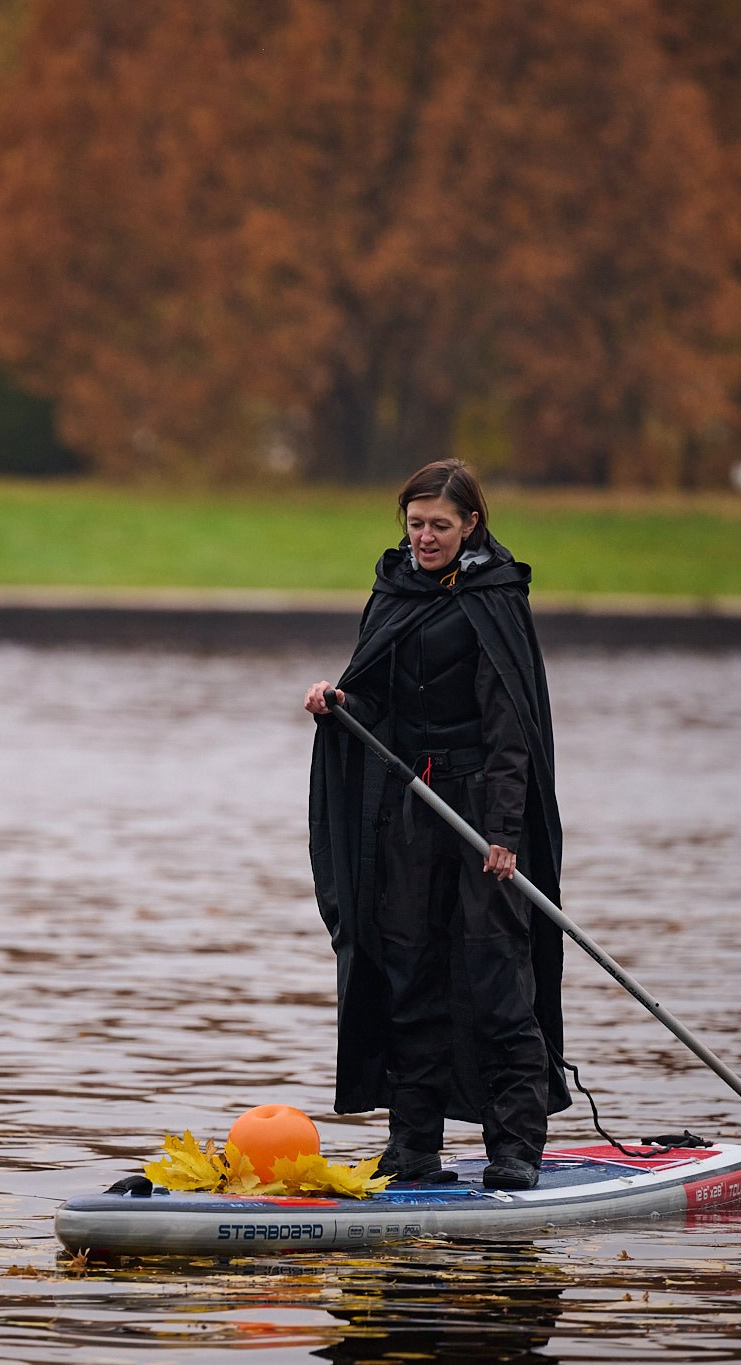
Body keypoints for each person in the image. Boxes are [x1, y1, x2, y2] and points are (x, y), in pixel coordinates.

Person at [303, 458, 570, 1190]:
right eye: (416, 523)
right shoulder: (393, 589)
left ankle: (515, 1146)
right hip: (410, 812)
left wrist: (507, 835)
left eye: (440, 526)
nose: (424, 537)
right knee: (408, 972)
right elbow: (377, 698)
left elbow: (513, 728)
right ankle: (413, 1143)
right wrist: (339, 702)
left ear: (471, 524)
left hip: (484, 814)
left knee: (495, 977)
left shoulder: (496, 598)